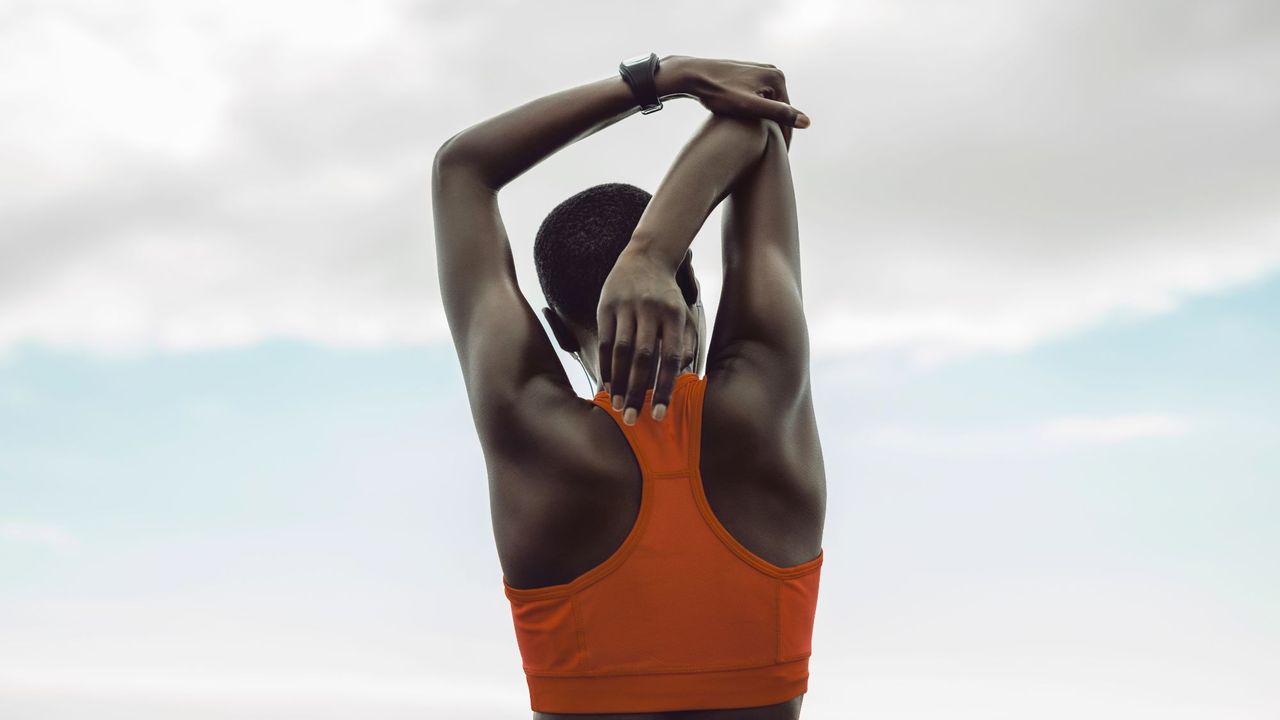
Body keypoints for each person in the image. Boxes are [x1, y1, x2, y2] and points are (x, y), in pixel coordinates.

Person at [432, 53, 827, 720]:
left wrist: (660, 78)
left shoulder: (528, 429)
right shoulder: (767, 403)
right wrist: (653, 253)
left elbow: (462, 171)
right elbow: (760, 111)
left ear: (557, 330)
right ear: (692, 285)